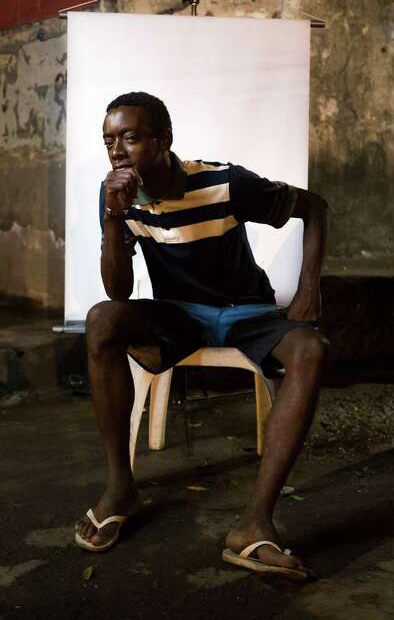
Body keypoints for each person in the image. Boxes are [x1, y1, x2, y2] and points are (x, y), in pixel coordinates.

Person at [73, 91, 330, 581]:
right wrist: (112, 217)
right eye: (109, 140)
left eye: (130, 137)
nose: (117, 151)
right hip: (180, 315)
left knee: (312, 350)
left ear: (163, 140)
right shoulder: (119, 197)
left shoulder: (223, 182)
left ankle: (254, 524)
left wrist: (308, 287)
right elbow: (119, 290)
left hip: (248, 311)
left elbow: (314, 208)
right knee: (102, 319)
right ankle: (120, 489)